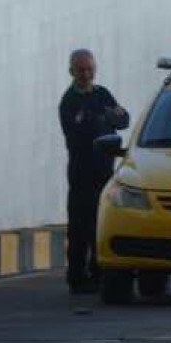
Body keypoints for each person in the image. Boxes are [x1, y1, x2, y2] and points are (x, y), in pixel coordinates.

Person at [59, 49, 128, 294]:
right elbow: (80, 131)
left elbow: (123, 119)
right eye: (81, 70)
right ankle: (76, 277)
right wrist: (102, 117)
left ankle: (98, 272)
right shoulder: (69, 101)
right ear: (72, 71)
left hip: (104, 171)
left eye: (90, 69)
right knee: (80, 225)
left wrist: (106, 117)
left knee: (101, 223)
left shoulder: (102, 94)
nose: (86, 74)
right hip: (81, 171)